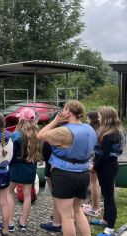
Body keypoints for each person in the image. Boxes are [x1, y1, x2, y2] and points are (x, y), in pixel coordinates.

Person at [37, 100, 97, 236]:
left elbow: (40, 136)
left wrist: (56, 121)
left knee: (67, 217)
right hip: (83, 173)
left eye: (64, 109)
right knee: (78, 210)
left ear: (68, 111)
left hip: (65, 175)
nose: (62, 112)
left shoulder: (65, 131)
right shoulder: (89, 129)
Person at [90, 107, 126, 235]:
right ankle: (105, 220)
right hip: (108, 165)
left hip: (108, 167)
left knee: (109, 197)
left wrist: (94, 167)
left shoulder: (111, 134)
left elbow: (105, 156)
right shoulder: (112, 131)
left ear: (106, 118)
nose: (98, 118)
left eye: (99, 116)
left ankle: (109, 229)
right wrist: (95, 163)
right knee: (106, 194)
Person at [5, 108, 41, 232]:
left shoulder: (17, 134)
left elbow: (11, 154)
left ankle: (10, 223)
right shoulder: (38, 134)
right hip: (30, 168)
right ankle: (23, 223)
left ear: (21, 119)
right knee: (27, 195)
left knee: (8, 192)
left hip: (16, 168)